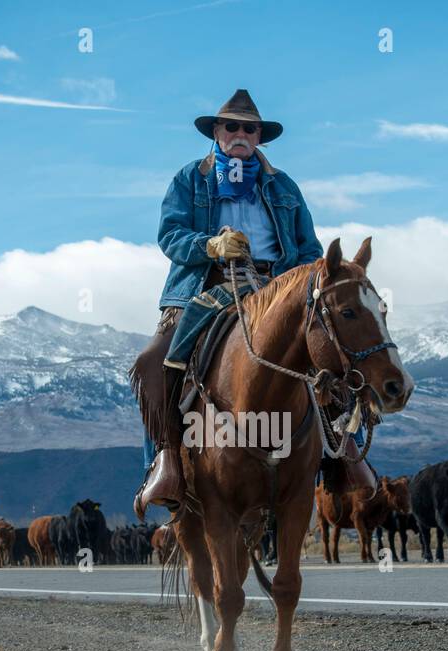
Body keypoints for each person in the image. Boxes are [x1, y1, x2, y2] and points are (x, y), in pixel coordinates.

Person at [131, 89, 373, 519]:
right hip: (205, 284)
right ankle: (165, 462)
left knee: (333, 352)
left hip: (274, 286)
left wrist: (294, 285)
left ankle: (341, 454)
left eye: (250, 128)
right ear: (217, 132)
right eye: (232, 126)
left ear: (259, 136)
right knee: (155, 361)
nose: (241, 133)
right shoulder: (190, 179)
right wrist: (211, 244)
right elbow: (169, 235)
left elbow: (307, 247)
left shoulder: (283, 186)